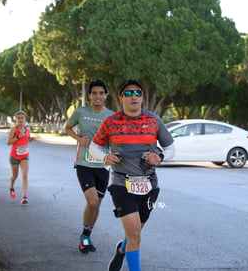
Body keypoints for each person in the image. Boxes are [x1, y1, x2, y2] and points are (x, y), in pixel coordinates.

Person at [89, 79, 175, 271]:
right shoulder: (111, 122)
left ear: (142, 97)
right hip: (121, 183)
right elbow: (94, 146)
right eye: (128, 93)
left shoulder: (154, 120)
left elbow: (170, 148)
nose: (133, 96)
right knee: (135, 236)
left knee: (134, 233)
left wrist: (159, 156)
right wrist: (104, 157)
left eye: (137, 93)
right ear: (121, 98)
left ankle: (121, 250)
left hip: (149, 186)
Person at [65, 79, 115, 254]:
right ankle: (85, 236)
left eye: (101, 93)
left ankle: (86, 235)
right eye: (94, 93)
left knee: (97, 205)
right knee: (92, 202)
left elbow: (115, 138)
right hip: (84, 163)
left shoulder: (111, 115)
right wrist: (79, 139)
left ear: (105, 95)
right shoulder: (80, 112)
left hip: (102, 165)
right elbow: (68, 127)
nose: (98, 96)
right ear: (90, 95)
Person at [7, 111, 35, 204]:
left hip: (24, 155)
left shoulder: (27, 129)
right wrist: (18, 136)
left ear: (25, 119)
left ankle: (24, 196)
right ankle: (11, 186)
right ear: (16, 119)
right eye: (18, 118)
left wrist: (29, 140)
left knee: (25, 176)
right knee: (15, 176)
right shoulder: (13, 130)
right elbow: (9, 142)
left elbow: (26, 140)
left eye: (22, 118)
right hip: (14, 156)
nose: (20, 119)